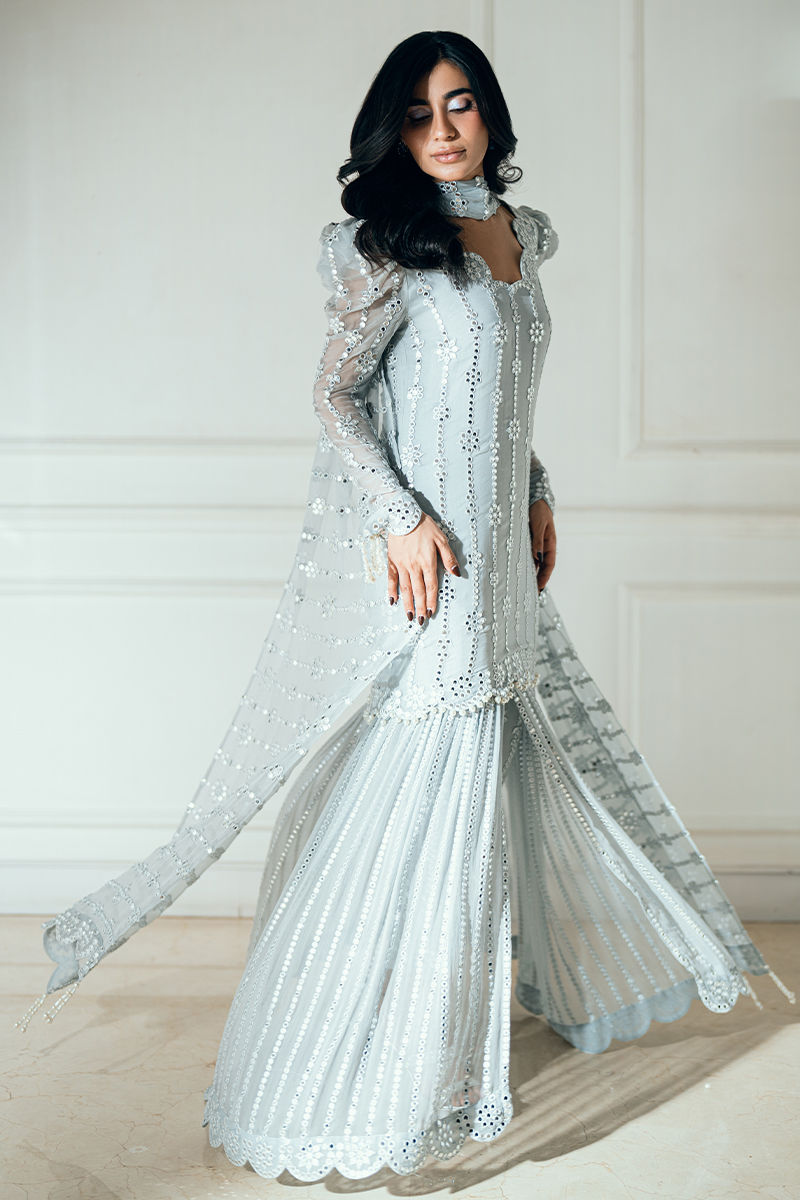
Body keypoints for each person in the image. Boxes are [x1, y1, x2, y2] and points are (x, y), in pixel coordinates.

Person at [15, 29, 794, 1182]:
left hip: (504, 554)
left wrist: (536, 491)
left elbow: (500, 397)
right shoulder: (386, 248)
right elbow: (336, 397)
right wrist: (398, 519)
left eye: (460, 104)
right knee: (435, 798)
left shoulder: (521, 234)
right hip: (440, 566)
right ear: (393, 129)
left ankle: (517, 1004)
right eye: (420, 111)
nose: (441, 128)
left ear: (490, 115)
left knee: (515, 770)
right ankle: (398, 1068)